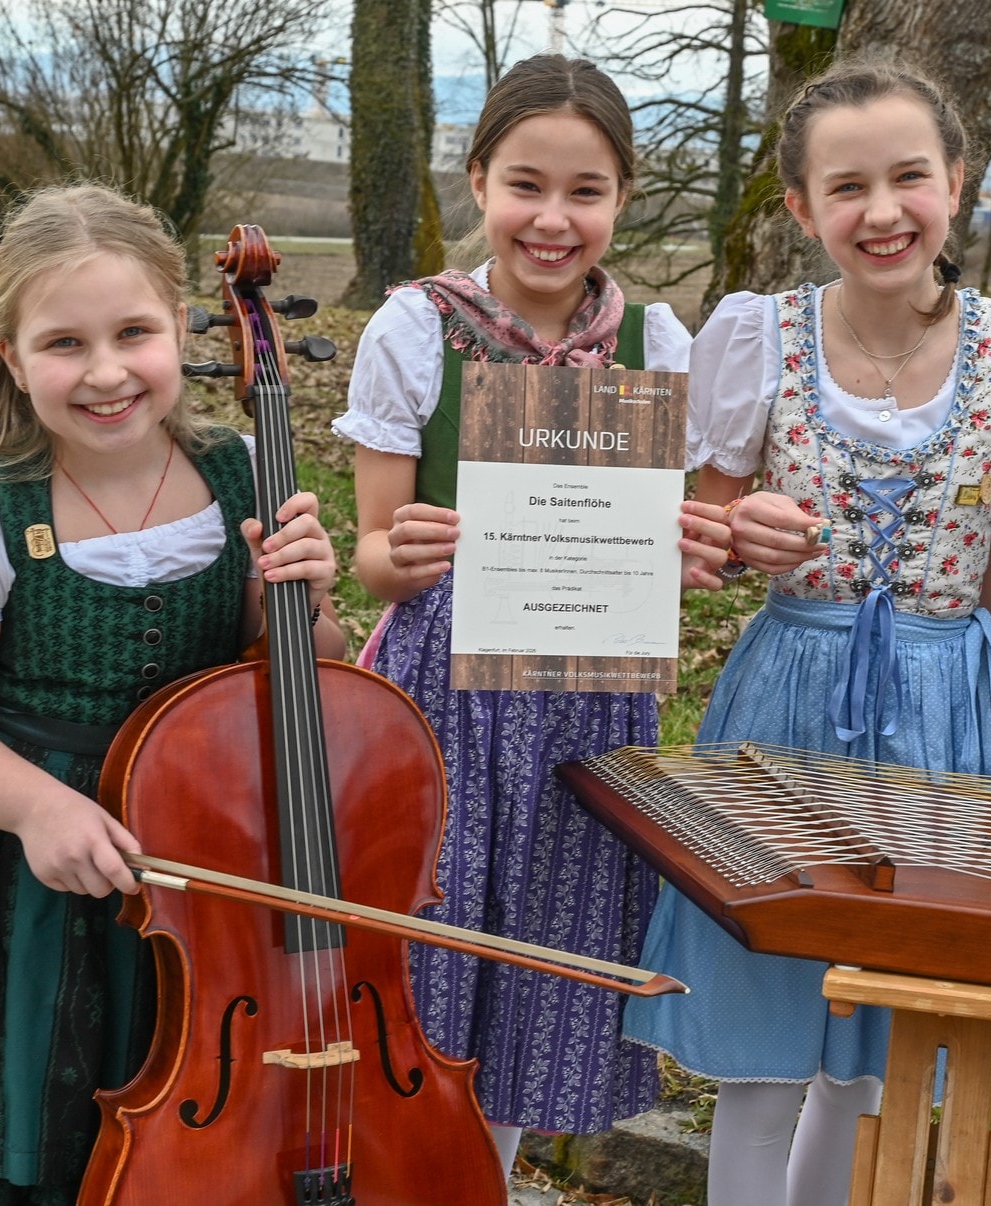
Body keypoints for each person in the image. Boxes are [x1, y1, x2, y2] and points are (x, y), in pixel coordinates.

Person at [0, 183, 346, 1205]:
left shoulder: (239, 471)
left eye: (134, 333)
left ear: (177, 328)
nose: (107, 372)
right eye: (65, 343)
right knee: (32, 1151)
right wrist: (40, 807)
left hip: (204, 879)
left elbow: (292, 678)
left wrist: (308, 607)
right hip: (25, 883)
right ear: (13, 357)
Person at [621, 60, 991, 1206]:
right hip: (787, 696)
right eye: (846, 186)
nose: (881, 212)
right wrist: (735, 531)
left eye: (908, 177)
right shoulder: (755, 335)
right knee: (768, 1038)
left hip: (936, 712)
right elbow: (707, 519)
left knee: (876, 1043)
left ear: (956, 185)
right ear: (800, 208)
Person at [336, 53, 731, 1174]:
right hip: (447, 696)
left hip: (586, 706)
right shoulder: (417, 330)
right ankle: (393, 1179)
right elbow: (372, 554)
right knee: (429, 969)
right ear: (476, 182)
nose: (552, 219)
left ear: (621, 197)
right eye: (525, 184)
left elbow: (686, 539)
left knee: (534, 975)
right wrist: (396, 552)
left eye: (585, 191)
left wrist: (688, 554)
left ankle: (486, 1183)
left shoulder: (660, 345)